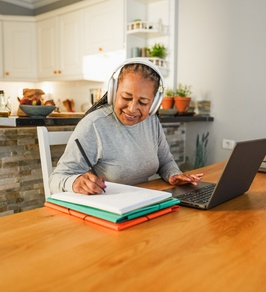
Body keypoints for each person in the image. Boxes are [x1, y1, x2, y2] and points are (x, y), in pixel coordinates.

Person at [49, 58, 203, 195]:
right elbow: (56, 179)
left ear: (154, 103)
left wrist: (174, 174)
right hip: (109, 210)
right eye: (126, 97)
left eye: (143, 102)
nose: (132, 108)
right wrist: (75, 182)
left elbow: (165, 162)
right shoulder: (94, 125)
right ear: (113, 92)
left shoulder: (151, 121)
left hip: (143, 202)